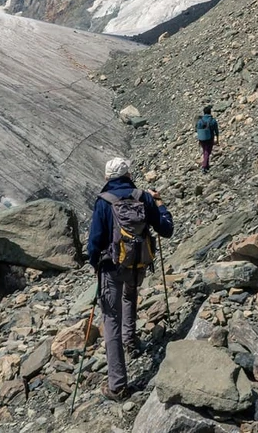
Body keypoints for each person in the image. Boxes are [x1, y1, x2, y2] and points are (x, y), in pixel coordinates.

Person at [87, 157, 174, 401]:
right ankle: (130, 341)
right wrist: (161, 205)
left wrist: (95, 264)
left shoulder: (104, 202)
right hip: (137, 262)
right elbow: (166, 229)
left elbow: (94, 242)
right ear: (128, 174)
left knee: (110, 319)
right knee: (130, 295)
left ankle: (117, 385)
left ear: (107, 178)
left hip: (111, 266)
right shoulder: (143, 197)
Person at [194, 106, 219, 172]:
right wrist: (217, 138)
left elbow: (197, 129)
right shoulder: (212, 120)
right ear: (210, 112)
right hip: (209, 138)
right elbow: (216, 130)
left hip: (201, 138)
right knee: (207, 151)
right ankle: (204, 166)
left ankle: (207, 165)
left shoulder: (200, 121)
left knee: (205, 151)